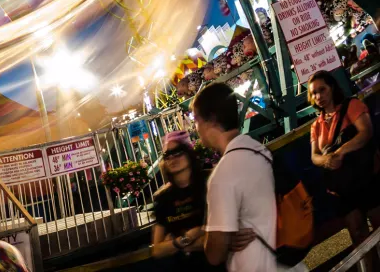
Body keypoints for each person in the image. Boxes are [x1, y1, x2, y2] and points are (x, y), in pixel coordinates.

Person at [193, 82, 298, 272]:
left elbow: (214, 255)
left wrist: (210, 236)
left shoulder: (223, 175)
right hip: (282, 260)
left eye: (196, 120)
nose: (196, 128)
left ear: (211, 120)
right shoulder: (258, 149)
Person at [308, 70, 378, 268]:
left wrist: (340, 152)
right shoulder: (316, 125)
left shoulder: (352, 106)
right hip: (343, 189)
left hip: (367, 178)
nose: (318, 96)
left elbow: (366, 132)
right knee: (357, 233)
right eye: (314, 93)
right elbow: (314, 156)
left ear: (332, 88)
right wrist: (326, 161)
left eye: (322, 90)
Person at [149, 131, 217, 270]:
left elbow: (217, 239)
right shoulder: (162, 198)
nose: (172, 158)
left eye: (178, 152)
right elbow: (157, 250)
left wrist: (174, 244)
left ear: (189, 153)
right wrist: (189, 237)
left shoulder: (211, 181)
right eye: (167, 155)